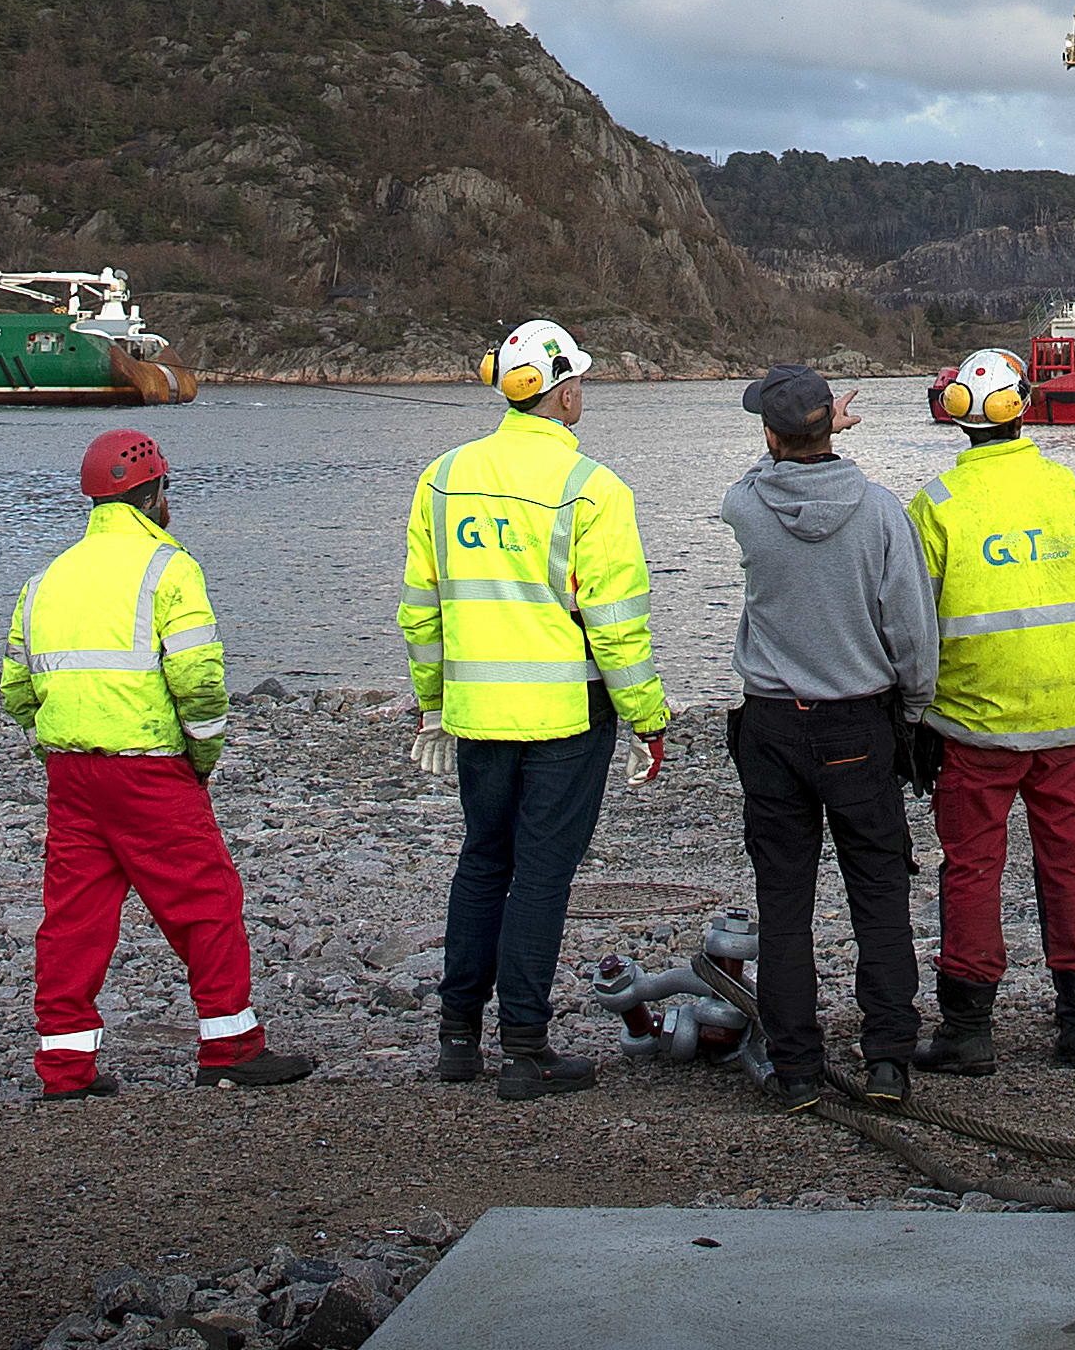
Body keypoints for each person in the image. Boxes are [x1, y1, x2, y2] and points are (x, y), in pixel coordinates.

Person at [401, 315, 672, 1099]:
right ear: (564, 392)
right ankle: (526, 1047)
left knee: (484, 861)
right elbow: (617, 627)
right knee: (542, 875)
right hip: (567, 715)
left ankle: (458, 1038)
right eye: (577, 379)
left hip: (477, 713)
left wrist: (431, 705)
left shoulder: (442, 478)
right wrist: (647, 718)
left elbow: (420, 612)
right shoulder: (593, 489)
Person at [1, 429, 317, 1096]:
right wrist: (201, 757)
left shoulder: (47, 579)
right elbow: (199, 681)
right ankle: (230, 1049)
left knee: (73, 918)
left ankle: (65, 1069)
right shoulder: (169, 569)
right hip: (148, 768)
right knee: (206, 901)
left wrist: (49, 746)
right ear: (154, 493)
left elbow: (17, 687)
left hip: (70, 771)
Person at [906, 346, 1075, 1075]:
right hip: (1069, 726)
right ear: (1024, 407)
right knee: (1070, 864)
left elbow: (910, 627)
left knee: (972, 868)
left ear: (956, 414)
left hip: (972, 728)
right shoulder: (1073, 493)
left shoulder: (936, 506)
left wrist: (913, 714)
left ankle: (969, 1032)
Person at [717, 362, 937, 1107]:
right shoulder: (880, 511)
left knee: (784, 901)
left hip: (772, 723)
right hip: (859, 722)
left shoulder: (747, 506)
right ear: (829, 429)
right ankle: (888, 1062)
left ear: (770, 435)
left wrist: (800, 440)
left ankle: (797, 1069)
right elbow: (912, 631)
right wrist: (914, 710)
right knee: (879, 893)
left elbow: (756, 476)